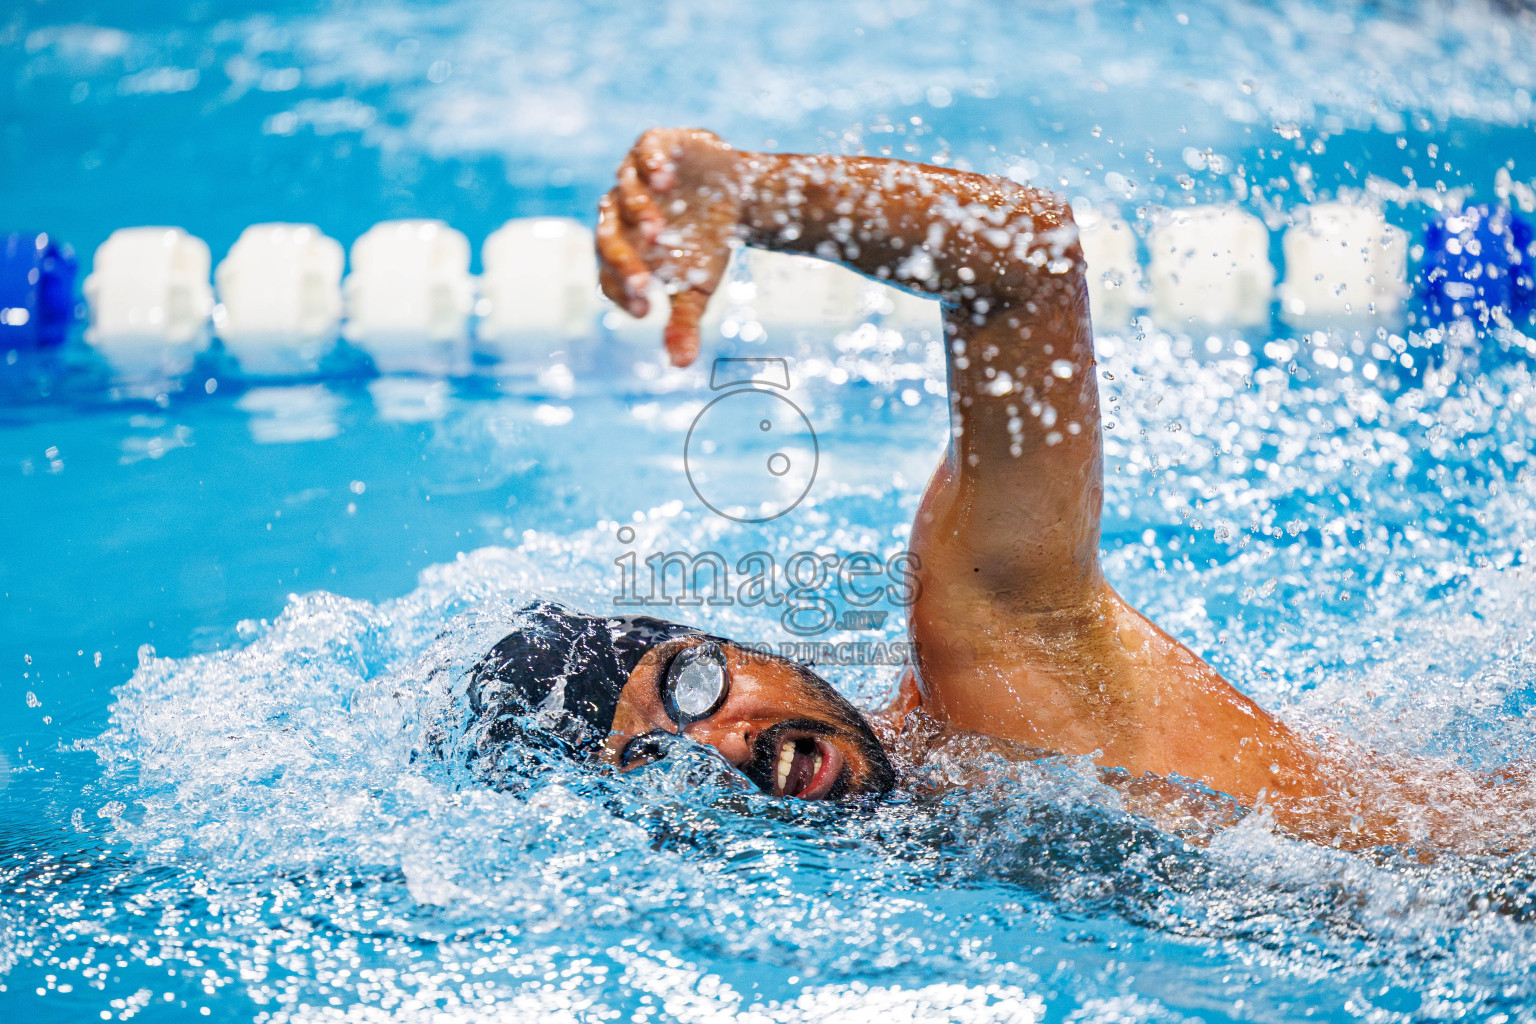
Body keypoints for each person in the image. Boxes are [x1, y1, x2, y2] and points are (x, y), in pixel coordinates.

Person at [469, 128, 1530, 855]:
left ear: (740, 645)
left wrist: (755, 195)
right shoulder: (923, 847)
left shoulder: (988, 654)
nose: (721, 743)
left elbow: (1024, 261)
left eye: (692, 686)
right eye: (653, 760)